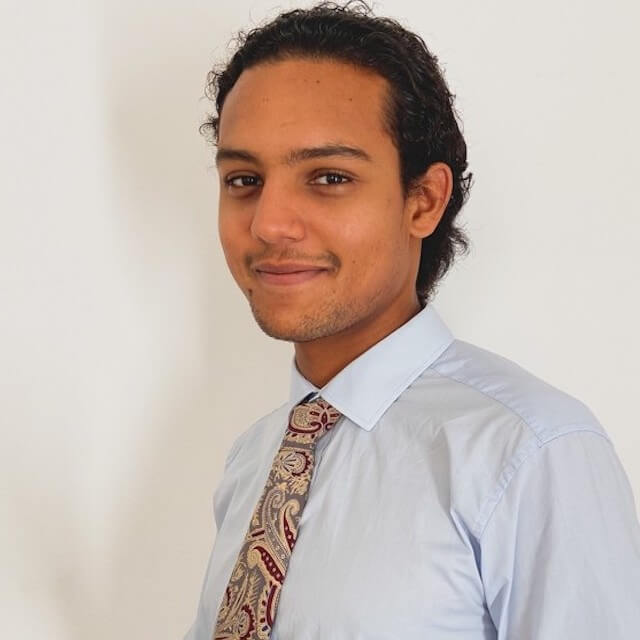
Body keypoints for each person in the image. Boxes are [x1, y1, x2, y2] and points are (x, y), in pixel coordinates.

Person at [185, 2, 640, 638]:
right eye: (243, 179)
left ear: (423, 200)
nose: (268, 224)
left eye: (329, 177)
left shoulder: (530, 453)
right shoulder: (254, 459)